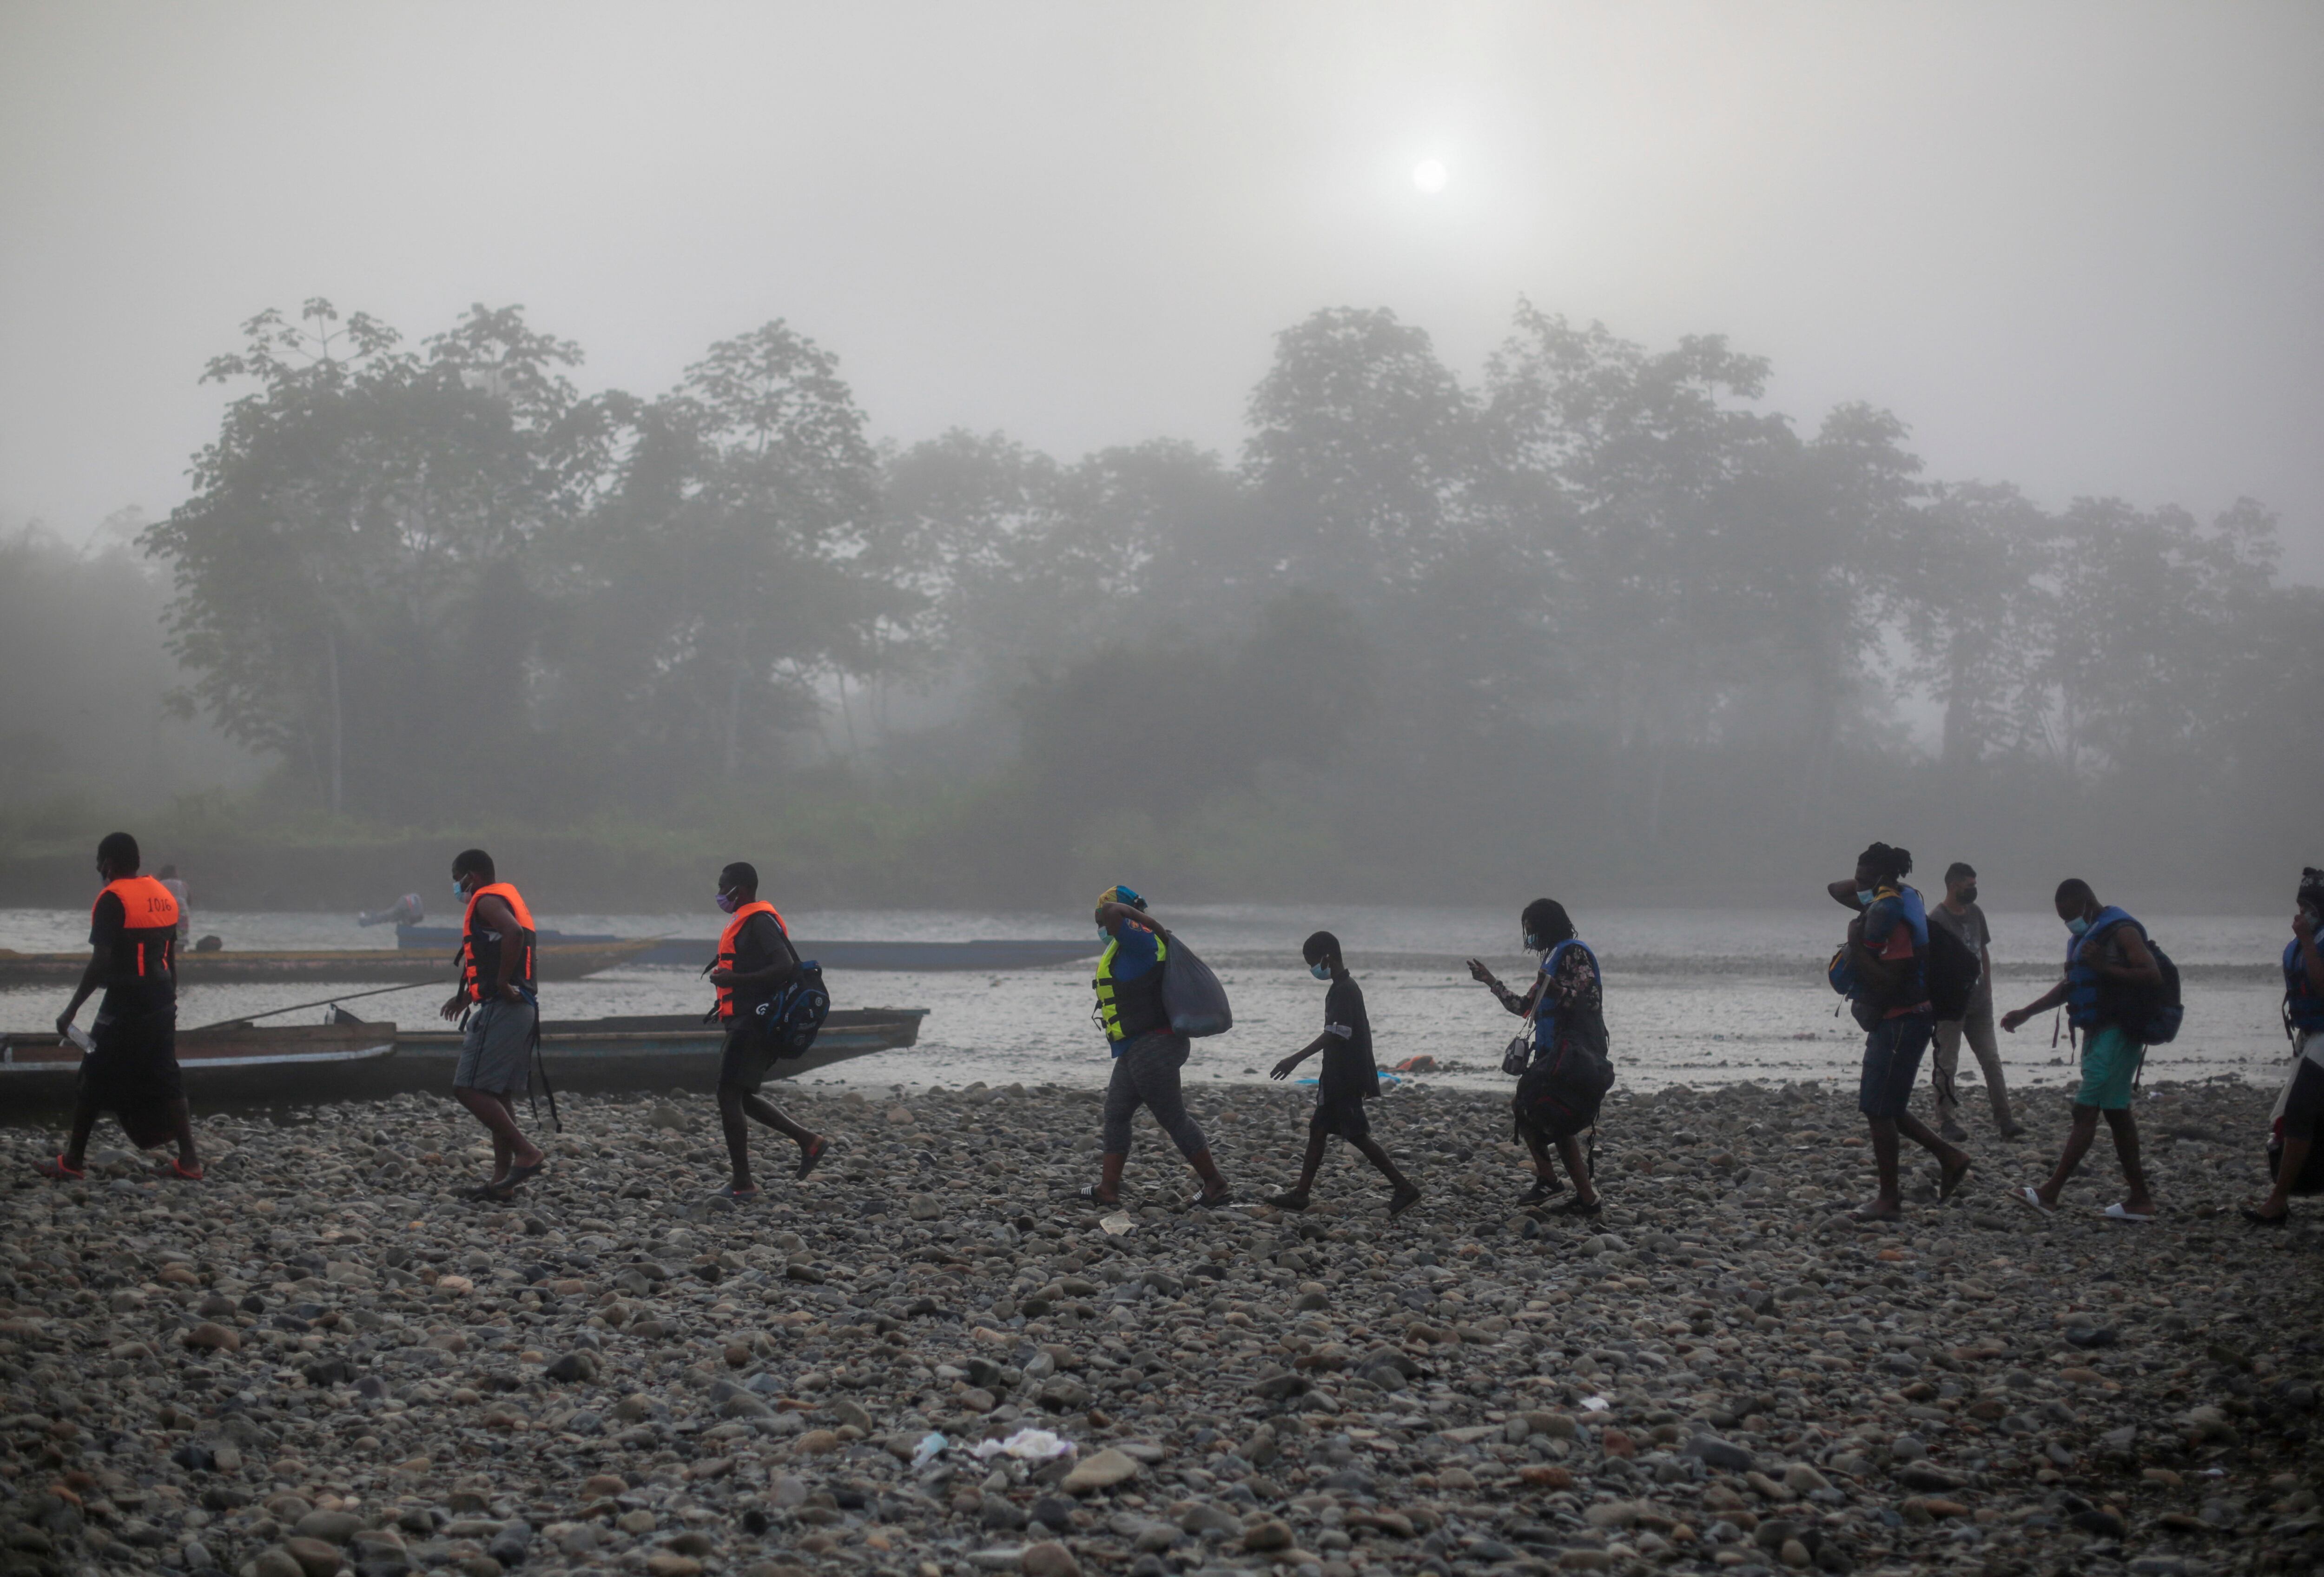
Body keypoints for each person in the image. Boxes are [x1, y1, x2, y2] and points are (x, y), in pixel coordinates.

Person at [40, 832, 202, 1181]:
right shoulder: (164, 895)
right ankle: (190, 1161)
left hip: (126, 1001)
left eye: (100, 863)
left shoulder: (112, 899)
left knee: (93, 1070)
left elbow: (101, 961)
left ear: (109, 864)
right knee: (167, 1073)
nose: (99, 870)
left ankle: (72, 1162)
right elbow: (169, 956)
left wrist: (71, 1012)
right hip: (162, 997)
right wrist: (170, 999)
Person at [2000, 878, 2162, 1220]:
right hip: (2096, 1035)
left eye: (2072, 915)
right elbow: (2071, 986)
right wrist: (2027, 1012)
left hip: (2119, 1034)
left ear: (2088, 903)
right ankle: (2140, 1200)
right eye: (2063, 919)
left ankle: (2049, 1194)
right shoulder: (2082, 938)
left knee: (2085, 1110)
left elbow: (2152, 974)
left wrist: (2105, 967)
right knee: (2117, 1115)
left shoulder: (2123, 930)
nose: (2069, 923)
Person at [1826, 842, 1973, 1220]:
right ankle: (1950, 1157)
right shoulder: (1887, 903)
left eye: (1864, 878)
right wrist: (1873, 884)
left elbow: (1890, 980)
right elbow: (1834, 890)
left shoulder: (1895, 918)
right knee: (1886, 1105)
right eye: (1857, 877)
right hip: (1896, 1020)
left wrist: (1857, 946)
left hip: (1904, 1021)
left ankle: (1889, 1200)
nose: (1857, 885)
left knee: (1879, 1110)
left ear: (1881, 879)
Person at [1084, 885, 1231, 1209]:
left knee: (1173, 1117)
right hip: (1136, 1046)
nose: (1102, 927)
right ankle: (1108, 1189)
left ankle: (1216, 1184)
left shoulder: (1142, 941)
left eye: (1102, 921)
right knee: (1116, 1113)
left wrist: (1147, 921)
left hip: (1155, 1046)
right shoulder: (1128, 944)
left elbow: (1112, 911)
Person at [1264, 931, 1420, 1216]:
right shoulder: (1341, 987)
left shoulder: (1344, 990)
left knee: (1357, 1134)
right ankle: (1301, 1195)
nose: (1313, 970)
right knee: (1318, 1130)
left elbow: (1337, 1034)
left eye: (1313, 963)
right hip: (1337, 1073)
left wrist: (1294, 1059)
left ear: (1327, 958)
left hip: (1346, 1076)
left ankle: (1404, 1188)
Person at [1466, 898, 1606, 1213]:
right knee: (1547, 1117)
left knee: (1531, 1107)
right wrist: (1491, 982)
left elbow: (1592, 1000)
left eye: (1532, 931)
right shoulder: (1553, 959)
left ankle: (1553, 1183)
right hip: (1553, 1054)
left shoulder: (1574, 954)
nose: (1530, 938)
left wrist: (1558, 992)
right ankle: (1582, 1197)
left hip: (1575, 1054)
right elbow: (1524, 1007)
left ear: (1547, 928)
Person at [706, 861, 826, 1199]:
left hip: (755, 1023)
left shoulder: (759, 921)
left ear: (742, 889)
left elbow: (784, 966)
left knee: (728, 1094)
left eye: (724, 887)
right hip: (745, 1020)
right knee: (740, 1094)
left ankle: (743, 1183)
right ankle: (810, 1142)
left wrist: (735, 979)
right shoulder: (745, 921)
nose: (720, 894)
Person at [437, 848, 547, 1200]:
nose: (457, 887)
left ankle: (527, 1153)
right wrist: (467, 997)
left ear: (472, 876)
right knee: (497, 1093)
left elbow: (513, 934)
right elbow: (498, 949)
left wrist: (499, 984)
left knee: (468, 1089)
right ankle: (502, 1183)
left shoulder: (486, 901)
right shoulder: (504, 899)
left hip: (505, 1007)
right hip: (522, 1007)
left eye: (457, 879)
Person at [2244, 868, 2324, 1226]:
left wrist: (2306, 941)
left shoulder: (2311, 941)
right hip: (2311, 1038)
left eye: (2310, 907)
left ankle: (2278, 1200)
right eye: (2300, 906)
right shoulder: (2308, 940)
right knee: (2306, 1113)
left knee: (2301, 1110)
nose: (2303, 913)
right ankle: (2282, 1196)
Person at [1927, 861, 2022, 1141]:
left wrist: (1988, 987)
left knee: (1991, 1060)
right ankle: (1946, 1120)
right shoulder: (1937, 920)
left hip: (1980, 1002)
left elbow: (1982, 949)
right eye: (1970, 885)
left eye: (1975, 885)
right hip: (1951, 1005)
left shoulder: (1976, 913)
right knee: (1947, 1063)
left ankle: (2005, 1119)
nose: (1973, 890)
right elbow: (1931, 965)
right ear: (1954, 885)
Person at [156, 863, 190, 943]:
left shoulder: (159, 884)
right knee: (181, 939)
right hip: (181, 913)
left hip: (166, 913)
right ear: (175, 873)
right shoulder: (183, 884)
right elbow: (189, 902)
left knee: (165, 940)